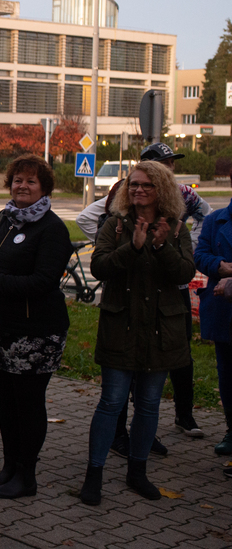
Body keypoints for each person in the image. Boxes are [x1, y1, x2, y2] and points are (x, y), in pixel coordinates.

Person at [76, 142, 210, 444]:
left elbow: (205, 222)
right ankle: (118, 441)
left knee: (164, 378)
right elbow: (99, 256)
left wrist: (176, 245)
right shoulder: (118, 209)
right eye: (162, 163)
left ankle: (179, 419)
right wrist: (127, 246)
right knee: (116, 394)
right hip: (123, 309)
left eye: (170, 163)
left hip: (168, 306)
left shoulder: (184, 200)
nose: (169, 167)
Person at [78, 161, 195, 505]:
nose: (138, 190)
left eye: (146, 185)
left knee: (148, 405)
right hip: (121, 328)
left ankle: (137, 472)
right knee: (111, 402)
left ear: (162, 190)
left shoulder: (175, 229)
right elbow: (99, 267)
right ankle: (94, 474)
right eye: (133, 185)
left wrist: (161, 247)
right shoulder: (114, 225)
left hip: (161, 331)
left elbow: (185, 274)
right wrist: (134, 247)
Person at [0, 154, 70, 499]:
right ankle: (9, 466)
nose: (22, 186)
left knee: (28, 404)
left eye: (31, 181)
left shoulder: (52, 229)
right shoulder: (5, 218)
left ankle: (27, 475)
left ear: (43, 188)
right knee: (7, 402)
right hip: (0, 328)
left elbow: (42, 282)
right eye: (18, 179)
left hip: (36, 333)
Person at [195, 195, 232, 461]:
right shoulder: (215, 220)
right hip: (223, 313)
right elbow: (200, 255)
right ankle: (231, 429)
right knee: (227, 376)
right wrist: (218, 265)